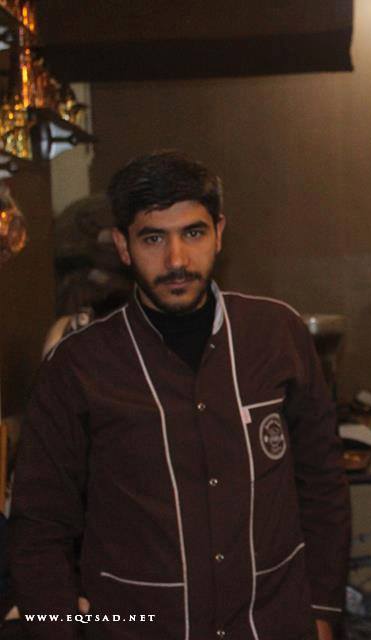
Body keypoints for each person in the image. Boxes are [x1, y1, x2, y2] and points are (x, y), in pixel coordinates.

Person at [9, 151, 351, 640]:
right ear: (123, 246)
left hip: (273, 624)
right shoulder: (77, 367)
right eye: (153, 238)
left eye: (193, 233)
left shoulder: (277, 334)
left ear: (219, 233)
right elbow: (40, 528)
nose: (176, 260)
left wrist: (322, 614)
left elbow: (322, 486)